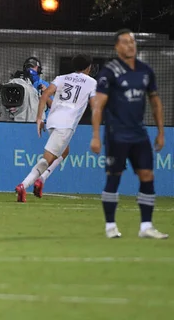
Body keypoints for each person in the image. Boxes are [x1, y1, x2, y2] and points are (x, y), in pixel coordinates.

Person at [91, 29, 168, 239]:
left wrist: (161, 132)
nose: (130, 45)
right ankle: (110, 226)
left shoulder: (145, 71)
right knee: (114, 176)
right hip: (116, 134)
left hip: (139, 134)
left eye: (132, 41)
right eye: (125, 42)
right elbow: (98, 105)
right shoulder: (110, 71)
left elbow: (155, 101)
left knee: (147, 176)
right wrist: (96, 134)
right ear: (117, 47)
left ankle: (146, 226)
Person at [15, 54, 96, 202]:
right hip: (66, 124)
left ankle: (42, 179)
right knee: (47, 159)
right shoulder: (91, 82)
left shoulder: (61, 78)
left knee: (64, 151)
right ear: (88, 67)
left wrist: (39, 118)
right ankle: (23, 185)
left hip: (52, 120)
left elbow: (45, 94)